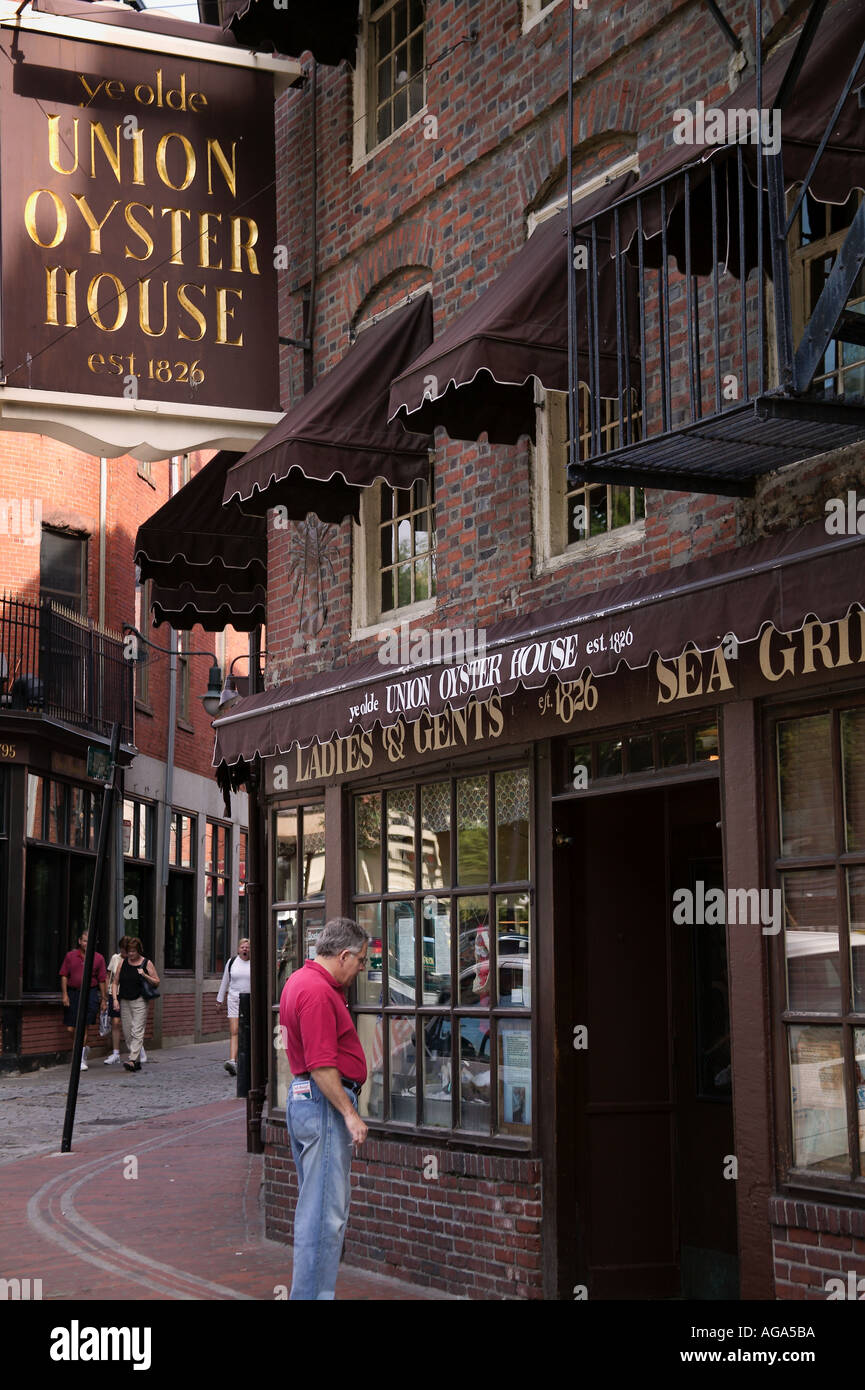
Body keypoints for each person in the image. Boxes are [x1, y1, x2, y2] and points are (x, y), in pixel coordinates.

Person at [279, 917, 370, 1300]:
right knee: (323, 1219)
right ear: (344, 954)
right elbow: (321, 1065)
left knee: (315, 1212)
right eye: (361, 959)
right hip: (323, 1107)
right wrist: (350, 1113)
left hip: (306, 1102)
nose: (363, 967)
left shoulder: (300, 980)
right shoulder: (317, 991)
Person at [59, 931, 107, 1072]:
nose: (87, 944)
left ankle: (79, 1058)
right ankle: (82, 1048)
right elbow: (63, 976)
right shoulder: (70, 956)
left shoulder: (98, 958)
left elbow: (102, 980)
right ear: (80, 941)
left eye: (90, 941)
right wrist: (65, 995)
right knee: (70, 1028)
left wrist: (104, 1000)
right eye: (85, 941)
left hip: (90, 993)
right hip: (73, 993)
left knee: (84, 1026)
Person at [113, 937, 159, 1073]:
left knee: (137, 1031)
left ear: (138, 951)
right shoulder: (122, 963)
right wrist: (115, 999)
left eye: (133, 951)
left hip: (140, 1000)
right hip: (125, 1000)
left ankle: (132, 1059)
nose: (131, 954)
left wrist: (144, 975)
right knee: (127, 1033)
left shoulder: (146, 963)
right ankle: (136, 1061)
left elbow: (157, 981)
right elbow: (115, 982)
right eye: (129, 951)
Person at [216, 937, 251, 1076]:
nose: (244, 949)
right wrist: (219, 1000)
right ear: (238, 949)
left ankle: (247, 1060)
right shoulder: (232, 962)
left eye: (247, 947)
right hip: (234, 999)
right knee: (235, 1030)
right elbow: (225, 981)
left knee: (248, 1031)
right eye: (242, 946)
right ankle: (232, 1061)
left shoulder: (254, 963)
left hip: (249, 1001)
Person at [103, 936, 129, 1065]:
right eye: (122, 950)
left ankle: (138, 1050)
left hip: (129, 994)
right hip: (114, 993)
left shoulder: (134, 959)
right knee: (115, 1022)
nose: (124, 953)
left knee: (131, 1024)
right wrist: (107, 993)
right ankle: (115, 1053)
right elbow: (108, 976)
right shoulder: (115, 958)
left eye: (126, 950)